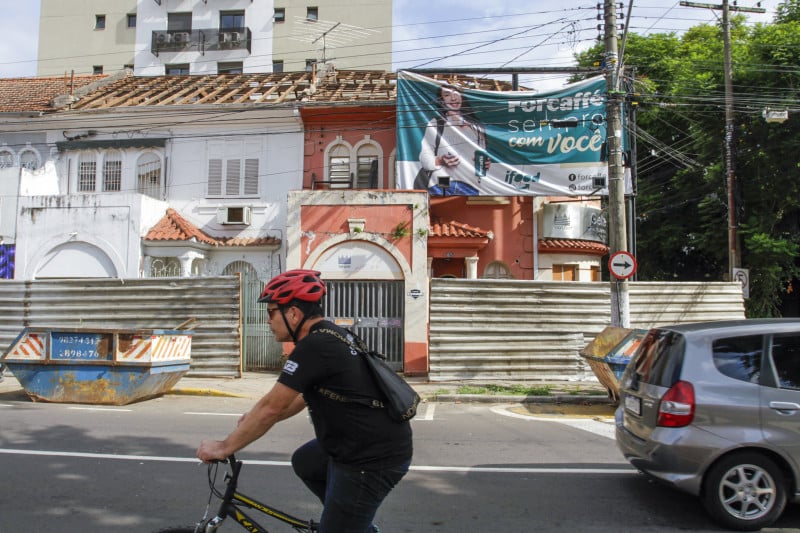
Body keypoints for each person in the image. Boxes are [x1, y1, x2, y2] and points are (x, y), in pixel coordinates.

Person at [196, 269, 413, 533]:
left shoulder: (314, 346)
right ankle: (352, 521)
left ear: (294, 314)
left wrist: (223, 446)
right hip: (363, 444)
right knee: (306, 462)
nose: (268, 321)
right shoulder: (331, 335)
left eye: (272, 312)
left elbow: (271, 408)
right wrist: (250, 420)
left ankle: (348, 522)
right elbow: (297, 398)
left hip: (369, 458)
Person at [416, 84, 491, 195]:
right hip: (441, 184)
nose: (453, 98)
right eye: (447, 95)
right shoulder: (436, 124)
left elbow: (483, 155)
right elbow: (424, 157)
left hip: (470, 185)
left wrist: (486, 163)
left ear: (462, 97)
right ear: (442, 101)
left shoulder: (476, 126)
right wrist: (440, 160)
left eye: (456, 94)